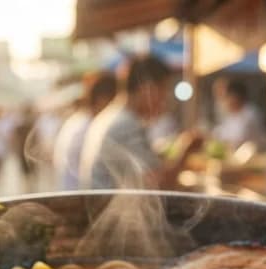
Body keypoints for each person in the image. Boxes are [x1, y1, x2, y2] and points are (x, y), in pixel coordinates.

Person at [78, 54, 199, 190]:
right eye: (164, 90)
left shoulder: (112, 115)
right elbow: (159, 184)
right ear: (148, 88)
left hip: (107, 206)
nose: (165, 99)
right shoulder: (124, 124)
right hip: (113, 210)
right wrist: (185, 152)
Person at [51, 71, 117, 190]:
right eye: (115, 101)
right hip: (79, 196)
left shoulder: (79, 121)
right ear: (103, 100)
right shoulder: (88, 126)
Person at [212, 79, 264, 149]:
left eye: (226, 97)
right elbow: (222, 131)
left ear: (235, 97)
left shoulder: (251, 114)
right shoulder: (233, 114)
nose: (225, 101)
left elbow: (238, 139)